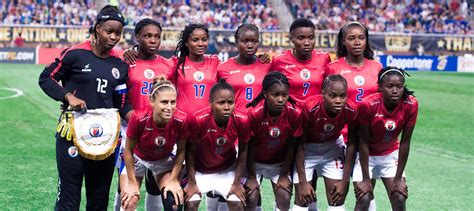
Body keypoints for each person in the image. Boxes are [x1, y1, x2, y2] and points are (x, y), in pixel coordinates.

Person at [38, 5, 132, 210]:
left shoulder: (120, 64)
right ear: (98, 28)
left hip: (106, 138)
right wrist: (67, 96)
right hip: (71, 133)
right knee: (69, 198)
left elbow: (121, 103)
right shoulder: (75, 54)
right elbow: (46, 78)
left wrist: (137, 119)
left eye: (118, 33)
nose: (114, 37)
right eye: (109, 31)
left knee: (98, 199)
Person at [114, 18, 174, 211]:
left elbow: (175, 96)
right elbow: (120, 95)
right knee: (126, 187)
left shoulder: (168, 66)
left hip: (160, 133)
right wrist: (135, 120)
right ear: (137, 37)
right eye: (147, 36)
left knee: (155, 185)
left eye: (157, 36)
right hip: (130, 131)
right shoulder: (125, 61)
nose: (153, 40)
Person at [353, 67, 418, 211]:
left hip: (389, 155)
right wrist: (365, 178)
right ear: (380, 87)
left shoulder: (411, 104)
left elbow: (405, 142)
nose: (395, 90)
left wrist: (398, 178)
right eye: (390, 86)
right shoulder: (367, 104)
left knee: (399, 197)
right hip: (366, 156)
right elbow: (362, 141)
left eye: (399, 86)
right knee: (364, 199)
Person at [121, 77, 188, 211]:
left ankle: (158, 178)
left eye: (173, 102)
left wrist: (174, 179)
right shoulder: (139, 118)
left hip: (162, 160)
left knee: (174, 204)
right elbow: (128, 150)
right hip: (137, 159)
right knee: (129, 201)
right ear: (152, 102)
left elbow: (181, 151)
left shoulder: (181, 120)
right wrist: (133, 183)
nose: (169, 107)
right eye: (164, 102)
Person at [293, 75, 358, 211]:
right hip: (307, 150)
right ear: (323, 94)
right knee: (302, 200)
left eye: (342, 96)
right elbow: (299, 144)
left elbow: (351, 144)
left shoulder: (351, 109)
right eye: (333, 96)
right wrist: (303, 182)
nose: (338, 101)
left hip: (332, 148)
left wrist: (344, 181)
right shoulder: (309, 108)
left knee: (337, 200)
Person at [184, 79, 250, 211]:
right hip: (200, 171)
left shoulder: (242, 120)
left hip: (227, 169)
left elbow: (243, 151)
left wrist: (237, 183)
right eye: (221, 103)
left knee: (238, 203)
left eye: (230, 102)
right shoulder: (198, 119)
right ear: (211, 103)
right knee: (190, 203)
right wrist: (191, 182)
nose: (226, 107)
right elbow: (189, 152)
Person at [245, 71, 304, 211]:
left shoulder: (295, 113)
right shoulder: (254, 114)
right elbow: (249, 147)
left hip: (278, 164)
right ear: (265, 94)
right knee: (251, 197)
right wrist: (252, 177)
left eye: (284, 95)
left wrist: (284, 175)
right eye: (275, 95)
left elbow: (291, 147)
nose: (280, 99)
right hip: (255, 163)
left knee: (284, 197)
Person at [271, 18, 331, 104]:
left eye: (311, 38)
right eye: (301, 38)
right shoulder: (279, 60)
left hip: (315, 115)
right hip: (290, 114)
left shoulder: (324, 58)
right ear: (291, 39)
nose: (307, 42)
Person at [218, 23, 271, 112]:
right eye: (245, 41)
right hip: (234, 123)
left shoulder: (268, 65)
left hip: (261, 122)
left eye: (254, 41)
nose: (250, 46)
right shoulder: (223, 68)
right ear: (236, 42)